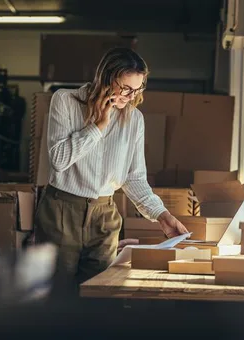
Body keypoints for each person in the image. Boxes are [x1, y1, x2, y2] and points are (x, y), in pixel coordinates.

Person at [34, 47, 189, 285]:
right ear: (106, 78)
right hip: (61, 211)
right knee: (58, 297)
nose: (130, 96)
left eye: (137, 89)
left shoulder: (134, 119)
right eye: (125, 88)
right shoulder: (65, 100)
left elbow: (134, 178)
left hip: (104, 216)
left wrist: (163, 216)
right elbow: (59, 160)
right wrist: (98, 126)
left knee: (99, 295)